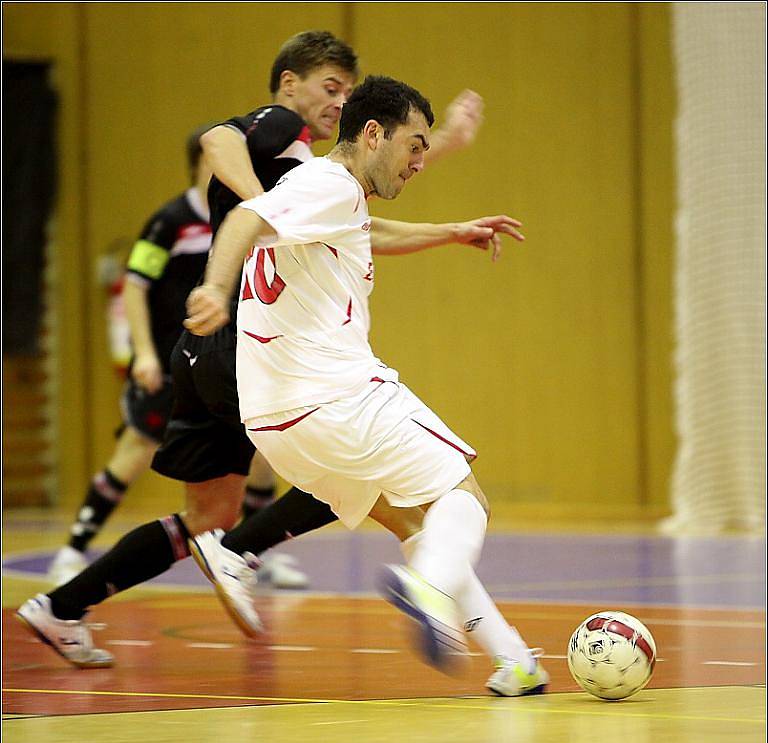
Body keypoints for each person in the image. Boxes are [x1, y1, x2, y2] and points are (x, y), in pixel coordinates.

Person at [15, 32, 490, 674]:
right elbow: (216, 139)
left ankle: (61, 605)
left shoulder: (321, 180)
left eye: (348, 91)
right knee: (349, 460)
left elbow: (362, 227)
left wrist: (448, 226)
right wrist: (263, 211)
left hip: (211, 349)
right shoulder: (280, 132)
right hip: (239, 344)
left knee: (205, 517)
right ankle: (291, 559)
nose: (339, 100)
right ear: (289, 84)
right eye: (330, 86)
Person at [185, 75, 549, 697]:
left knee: (417, 523)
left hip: (277, 423)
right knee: (465, 500)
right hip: (338, 396)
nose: (418, 162)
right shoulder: (329, 183)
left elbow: (361, 233)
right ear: (373, 133)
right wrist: (215, 289)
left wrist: (450, 230)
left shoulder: (330, 199)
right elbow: (244, 216)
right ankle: (428, 588)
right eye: (413, 146)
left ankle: (513, 661)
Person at [44, 126, 306, 591]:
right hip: (169, 362)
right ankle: (73, 549)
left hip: (223, 360)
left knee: (263, 453)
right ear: (206, 163)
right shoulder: (169, 221)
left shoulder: (245, 217)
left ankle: (257, 556)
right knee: (133, 452)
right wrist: (142, 352)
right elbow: (135, 287)